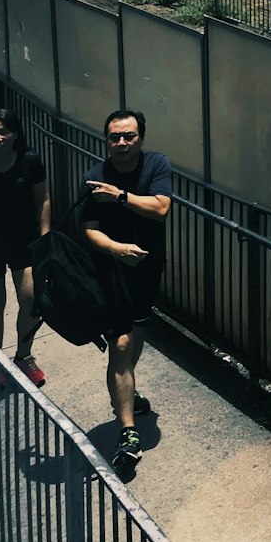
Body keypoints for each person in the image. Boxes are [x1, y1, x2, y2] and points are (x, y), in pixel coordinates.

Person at [81, 110, 172, 472]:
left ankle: (125, 393)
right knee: (120, 344)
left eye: (128, 136)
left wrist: (119, 196)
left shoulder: (156, 166)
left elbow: (161, 208)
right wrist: (116, 249)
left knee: (137, 335)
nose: (121, 143)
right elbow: (89, 229)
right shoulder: (93, 178)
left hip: (147, 269)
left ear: (141, 138)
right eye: (114, 137)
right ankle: (128, 431)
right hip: (108, 271)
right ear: (106, 140)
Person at [0, 108, 51, 386]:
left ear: (15, 133)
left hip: (24, 241)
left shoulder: (30, 161)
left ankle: (23, 356)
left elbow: (42, 200)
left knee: (31, 300)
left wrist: (46, 237)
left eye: (3, 131)